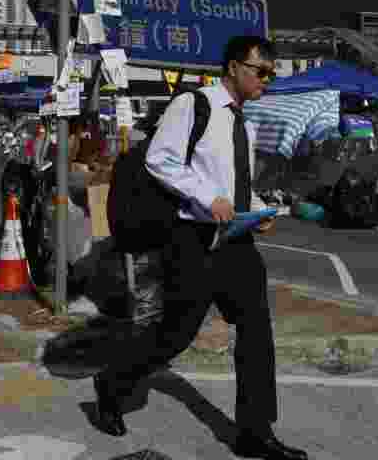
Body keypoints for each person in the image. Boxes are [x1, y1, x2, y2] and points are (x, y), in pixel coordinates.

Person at [93, 36, 308, 460]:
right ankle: (112, 384)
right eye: (260, 71)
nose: (267, 79)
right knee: (174, 335)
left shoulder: (243, 123)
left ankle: (255, 431)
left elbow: (236, 189)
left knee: (256, 330)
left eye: (271, 73)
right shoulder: (195, 105)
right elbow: (160, 159)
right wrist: (208, 198)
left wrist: (258, 210)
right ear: (233, 67)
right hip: (194, 241)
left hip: (236, 244)